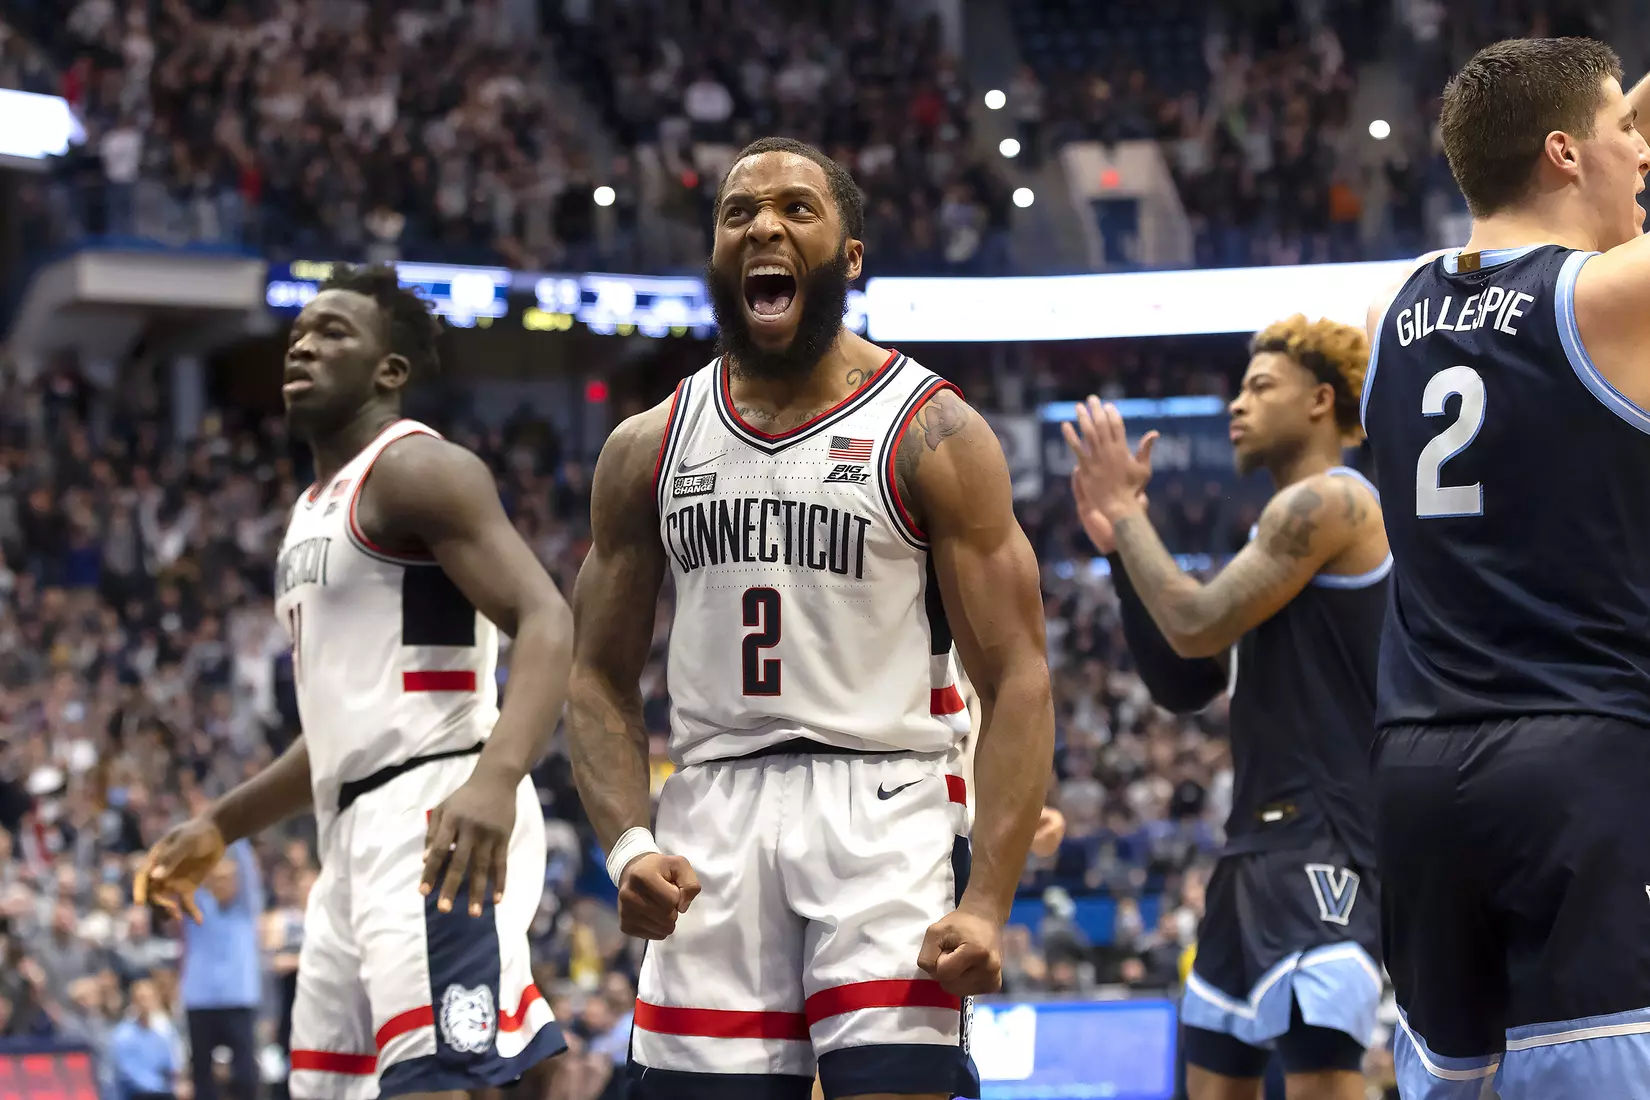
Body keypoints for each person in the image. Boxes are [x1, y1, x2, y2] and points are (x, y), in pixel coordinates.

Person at [567, 136, 1054, 1100]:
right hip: (710, 812)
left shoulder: (933, 432)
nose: (764, 227)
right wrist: (626, 842)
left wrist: (990, 903)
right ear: (715, 253)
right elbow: (595, 673)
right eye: (739, 212)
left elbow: (1020, 677)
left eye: (796, 208)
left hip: (885, 809)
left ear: (850, 256)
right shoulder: (646, 446)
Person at [134, 264, 574, 1098]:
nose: (304, 343)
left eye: (334, 332)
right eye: (299, 332)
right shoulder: (308, 513)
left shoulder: (418, 471)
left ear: (389, 371)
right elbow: (337, 734)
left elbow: (548, 620)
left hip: (435, 810)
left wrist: (496, 780)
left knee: (441, 1080)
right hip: (352, 829)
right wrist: (220, 826)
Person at [1362, 35, 1650, 1099]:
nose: (1645, 156)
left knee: (1453, 1081)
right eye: (1630, 136)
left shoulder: (1392, 314)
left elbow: (1579, 128)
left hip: (1417, 769)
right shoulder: (1609, 300)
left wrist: (1610, 112)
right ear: (1569, 154)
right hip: (1576, 754)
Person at [1064, 315, 1389, 1100]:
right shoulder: (1271, 539)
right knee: (1211, 1086)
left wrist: (1132, 514)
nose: (1236, 405)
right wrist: (1116, 544)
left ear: (1320, 401)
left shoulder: (1332, 502)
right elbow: (1185, 680)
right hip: (1252, 843)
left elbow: (1198, 619)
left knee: (1321, 1082)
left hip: (1326, 834)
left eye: (1259, 387)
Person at [180, 839, 262, 1100]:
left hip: (239, 999)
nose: (223, 883)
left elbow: (248, 870)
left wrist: (229, 834)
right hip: (200, 1000)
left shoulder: (246, 909)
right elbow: (184, 878)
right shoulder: (198, 908)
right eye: (217, 878)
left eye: (229, 878)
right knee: (202, 1077)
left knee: (246, 1075)